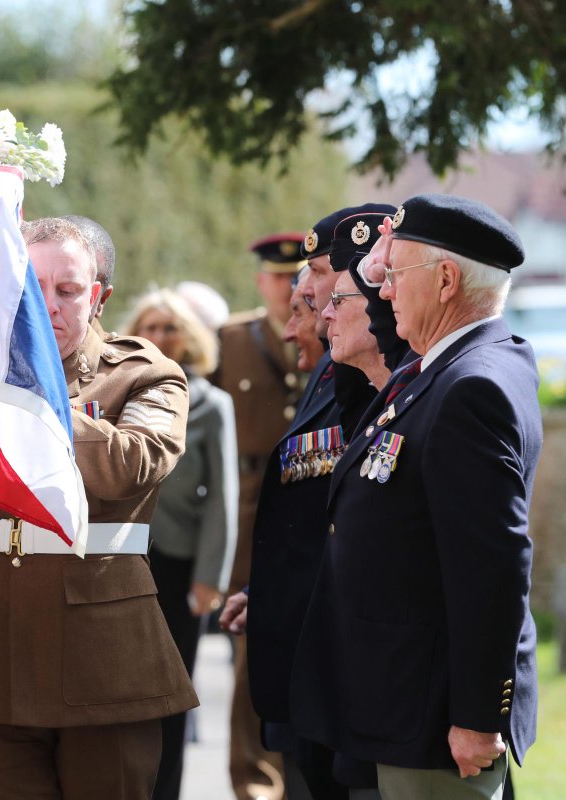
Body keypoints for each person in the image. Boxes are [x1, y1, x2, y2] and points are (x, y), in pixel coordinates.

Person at [0, 217, 196, 799]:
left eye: (68, 290)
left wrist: (25, 389)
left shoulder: (145, 373)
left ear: (97, 297)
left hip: (105, 653)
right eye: (29, 287)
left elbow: (130, 465)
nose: (47, 305)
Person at [290, 195, 542, 800]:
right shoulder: (445, 366)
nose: (385, 290)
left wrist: (480, 714)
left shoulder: (469, 386)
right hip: (404, 698)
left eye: (395, 275)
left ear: (448, 281)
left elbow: (492, 568)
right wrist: (385, 256)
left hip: (436, 713)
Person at [222, 205, 393, 800]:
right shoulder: (331, 369)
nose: (310, 296)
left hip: (358, 665)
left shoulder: (383, 370)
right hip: (307, 646)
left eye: (319, 272)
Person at [125, 288, 239, 800]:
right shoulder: (117, 390)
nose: (158, 336)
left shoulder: (214, 405)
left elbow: (222, 499)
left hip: (178, 566)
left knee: (171, 696)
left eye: (169, 328)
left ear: (190, 338)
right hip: (120, 561)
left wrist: (208, 581)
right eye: (149, 326)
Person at [214, 232, 305, 800]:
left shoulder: (325, 330)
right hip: (245, 510)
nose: (287, 288)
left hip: (305, 505)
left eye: (297, 277)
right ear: (260, 281)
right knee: (250, 661)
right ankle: (254, 784)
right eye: (278, 277)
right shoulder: (230, 339)